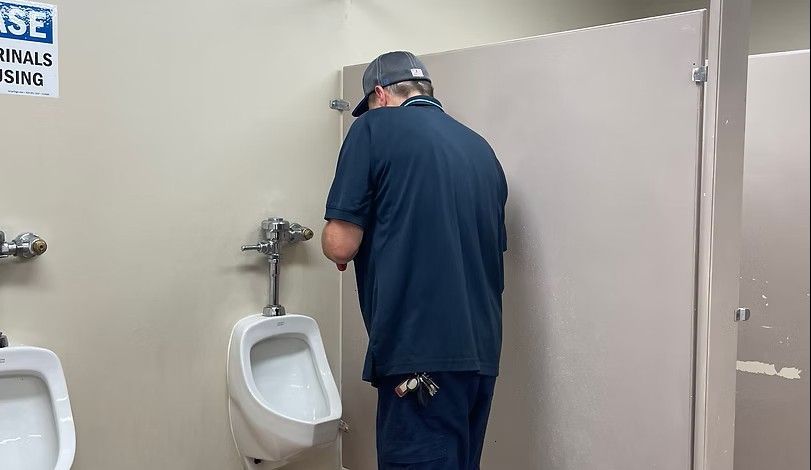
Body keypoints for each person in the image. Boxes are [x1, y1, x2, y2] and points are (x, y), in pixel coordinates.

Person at [322, 51, 508, 469]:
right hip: (479, 355)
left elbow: (339, 244)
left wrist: (346, 238)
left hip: (418, 354)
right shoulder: (480, 149)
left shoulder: (373, 128)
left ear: (381, 94)